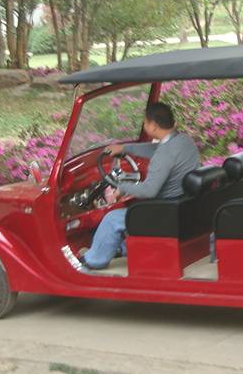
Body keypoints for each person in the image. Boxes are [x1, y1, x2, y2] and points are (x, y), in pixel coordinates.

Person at [75, 101, 200, 270]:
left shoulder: (164, 154)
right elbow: (155, 149)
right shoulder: (183, 141)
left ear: (153, 126)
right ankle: (121, 249)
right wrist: (125, 148)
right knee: (131, 210)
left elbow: (149, 190)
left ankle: (93, 260)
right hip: (183, 206)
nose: (144, 125)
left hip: (165, 213)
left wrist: (121, 186)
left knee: (112, 219)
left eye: (145, 122)